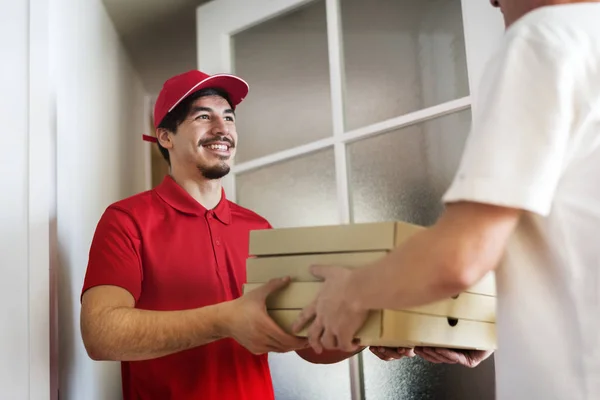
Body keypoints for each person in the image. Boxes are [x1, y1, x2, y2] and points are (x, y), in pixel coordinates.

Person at [292, 0, 600, 399]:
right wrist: (483, 325)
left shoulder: (544, 37)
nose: (492, 2)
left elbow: (462, 256)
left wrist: (352, 294)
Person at [79, 70, 361, 400]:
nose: (222, 128)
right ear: (166, 137)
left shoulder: (259, 228)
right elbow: (100, 335)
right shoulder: (126, 221)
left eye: (228, 117)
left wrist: (373, 333)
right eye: (203, 116)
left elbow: (306, 343)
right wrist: (224, 320)